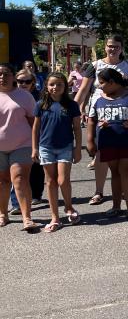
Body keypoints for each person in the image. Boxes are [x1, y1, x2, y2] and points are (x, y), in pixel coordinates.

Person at [75, 34, 128, 205]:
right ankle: (99, 191)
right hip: (101, 113)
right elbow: (84, 89)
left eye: (116, 46)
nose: (112, 49)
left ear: (121, 48)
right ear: (105, 47)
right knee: (101, 154)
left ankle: (124, 190)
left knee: (124, 156)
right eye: (110, 46)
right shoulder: (94, 66)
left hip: (124, 114)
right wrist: (72, 108)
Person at [86, 68, 128, 220]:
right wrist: (90, 140)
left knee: (127, 172)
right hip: (107, 142)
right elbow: (91, 120)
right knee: (115, 173)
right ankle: (116, 207)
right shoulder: (97, 98)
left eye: (102, 83)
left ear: (112, 82)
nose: (99, 86)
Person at [32, 72, 82, 231]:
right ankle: (55, 217)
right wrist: (34, 148)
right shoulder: (40, 104)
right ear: (46, 86)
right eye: (52, 84)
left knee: (62, 180)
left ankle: (69, 207)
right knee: (50, 181)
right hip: (46, 147)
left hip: (65, 147)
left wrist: (78, 148)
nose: (55, 87)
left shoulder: (72, 105)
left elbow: (76, 128)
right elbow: (35, 128)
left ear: (65, 86)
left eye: (59, 84)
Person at [0, 63, 38, 230]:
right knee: (2, 182)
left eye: (6, 73)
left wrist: (37, 145)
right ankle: (3, 214)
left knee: (20, 179)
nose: (2, 77)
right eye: (0, 74)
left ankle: (27, 217)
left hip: (22, 144)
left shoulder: (24, 96)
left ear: (13, 76)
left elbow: (34, 122)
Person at [16, 70, 46, 205]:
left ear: (33, 83)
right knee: (18, 172)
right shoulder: (10, 96)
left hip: (36, 137)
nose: (23, 84)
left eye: (27, 81)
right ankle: (17, 202)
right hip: (16, 139)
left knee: (36, 167)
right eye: (20, 81)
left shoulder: (39, 98)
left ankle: (36, 194)